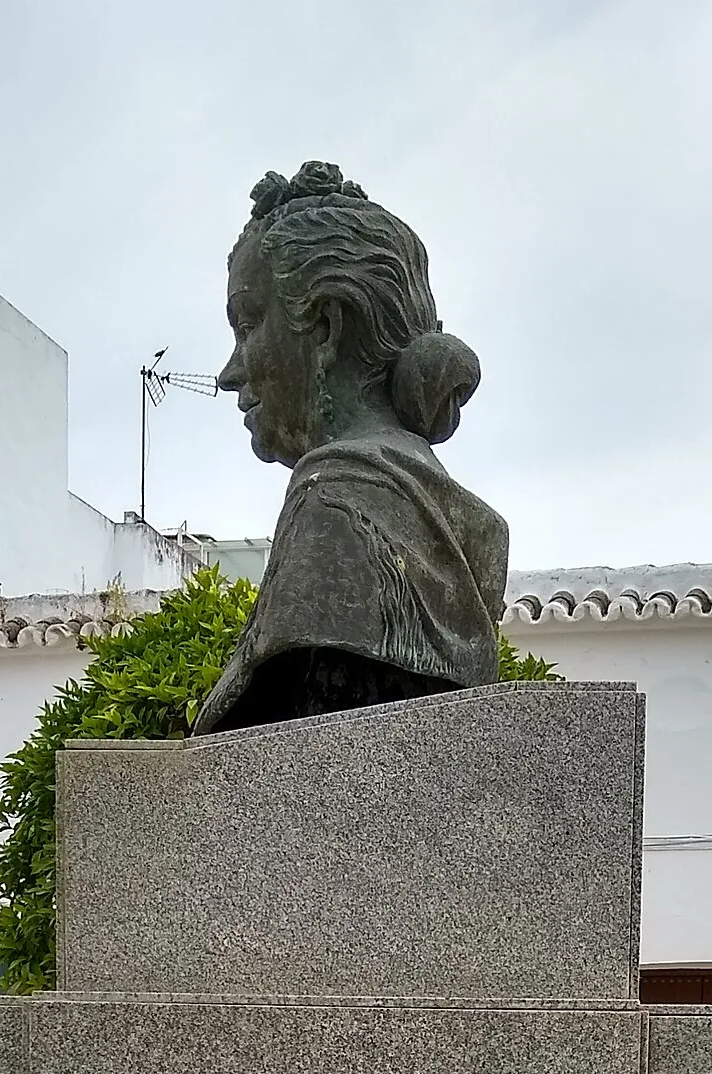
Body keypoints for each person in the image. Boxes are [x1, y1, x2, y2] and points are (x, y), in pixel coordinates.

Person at [193, 161, 510, 735]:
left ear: (325, 325)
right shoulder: (471, 528)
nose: (229, 373)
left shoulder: (337, 511)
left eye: (247, 326)